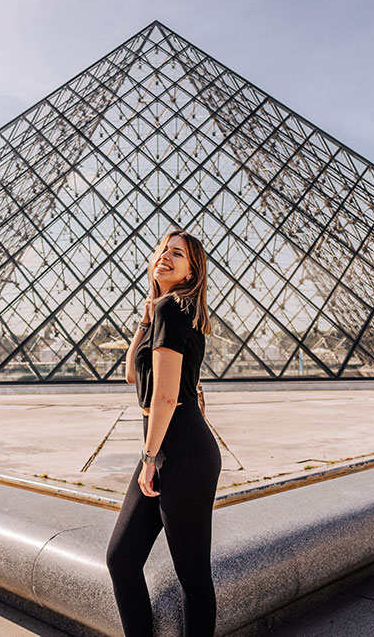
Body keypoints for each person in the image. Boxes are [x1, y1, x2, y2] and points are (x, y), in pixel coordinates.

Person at [106, 230, 220, 636]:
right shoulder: (164, 310)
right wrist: (147, 310)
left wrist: (151, 457)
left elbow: (167, 396)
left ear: (193, 272)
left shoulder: (175, 309)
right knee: (121, 558)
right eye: (163, 250)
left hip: (180, 451)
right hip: (168, 448)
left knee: (192, 576)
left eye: (179, 255)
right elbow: (130, 374)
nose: (166, 257)